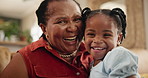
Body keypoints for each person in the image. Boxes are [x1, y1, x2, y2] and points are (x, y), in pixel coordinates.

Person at [0, 0, 93, 78]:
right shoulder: (25, 58)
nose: (72, 28)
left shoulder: (93, 51)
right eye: (61, 21)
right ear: (44, 29)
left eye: (77, 19)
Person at [81, 7, 140, 78]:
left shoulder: (118, 55)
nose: (97, 40)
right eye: (91, 34)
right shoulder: (91, 63)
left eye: (106, 35)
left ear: (119, 38)